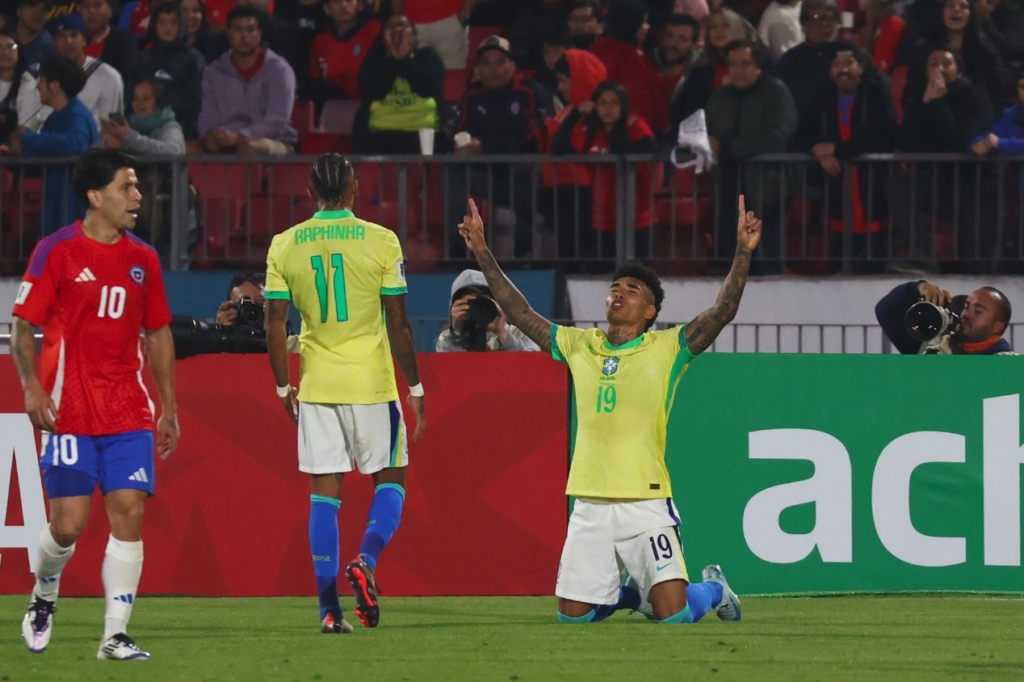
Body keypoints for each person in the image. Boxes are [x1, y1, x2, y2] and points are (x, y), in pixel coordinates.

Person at [457, 194, 761, 624]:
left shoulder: (667, 347)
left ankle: (714, 588)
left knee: (672, 615)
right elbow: (520, 312)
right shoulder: (581, 345)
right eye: (615, 287)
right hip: (590, 500)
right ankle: (631, 597)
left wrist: (742, 254)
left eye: (632, 290)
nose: (619, 292)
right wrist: (483, 252)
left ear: (650, 311)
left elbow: (722, 311)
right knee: (574, 617)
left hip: (645, 499)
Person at [11, 148, 179, 659]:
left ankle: (114, 634)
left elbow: (158, 332)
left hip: (127, 407)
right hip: (69, 410)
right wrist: (32, 389)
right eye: (127, 187)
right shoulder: (56, 251)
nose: (137, 197)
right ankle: (44, 594)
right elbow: (23, 327)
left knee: (129, 512)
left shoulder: (143, 258)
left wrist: (168, 406)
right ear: (95, 196)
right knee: (68, 526)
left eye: (136, 187)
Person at [265, 153, 426, 633]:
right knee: (392, 478)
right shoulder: (381, 240)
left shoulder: (285, 244)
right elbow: (397, 320)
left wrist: (281, 385)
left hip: (317, 385)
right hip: (372, 383)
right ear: (354, 188)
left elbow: (275, 324)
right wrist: (414, 385)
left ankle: (329, 611)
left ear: (310, 192)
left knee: (323, 496)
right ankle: (367, 560)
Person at [1, 54, 98, 235]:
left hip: (74, 211)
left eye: (42, 80)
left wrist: (27, 139)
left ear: (55, 85)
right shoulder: (55, 117)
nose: (38, 86)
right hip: (57, 210)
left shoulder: (76, 115)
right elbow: (41, 164)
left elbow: (76, 145)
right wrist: (13, 159)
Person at [875, 281, 1015, 354]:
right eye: (966, 306)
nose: (966, 313)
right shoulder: (930, 345)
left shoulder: (1010, 367)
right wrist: (919, 287)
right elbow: (886, 310)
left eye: (978, 310)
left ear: (998, 326)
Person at [435, 269, 541, 352]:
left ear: (496, 301)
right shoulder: (447, 339)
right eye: (469, 304)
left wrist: (503, 334)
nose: (475, 308)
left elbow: (533, 368)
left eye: (482, 303)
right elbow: (449, 373)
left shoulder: (520, 334)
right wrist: (457, 333)